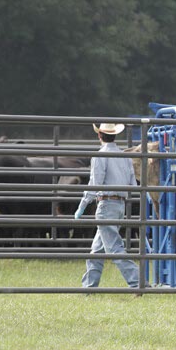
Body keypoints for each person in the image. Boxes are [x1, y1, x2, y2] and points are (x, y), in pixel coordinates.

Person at [75, 123, 140, 292]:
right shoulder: (125, 157)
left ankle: (137, 282)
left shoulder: (100, 156)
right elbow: (132, 183)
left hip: (106, 204)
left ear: (99, 136)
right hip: (120, 205)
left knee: (114, 248)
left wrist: (82, 205)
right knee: (97, 250)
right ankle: (89, 287)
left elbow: (95, 183)